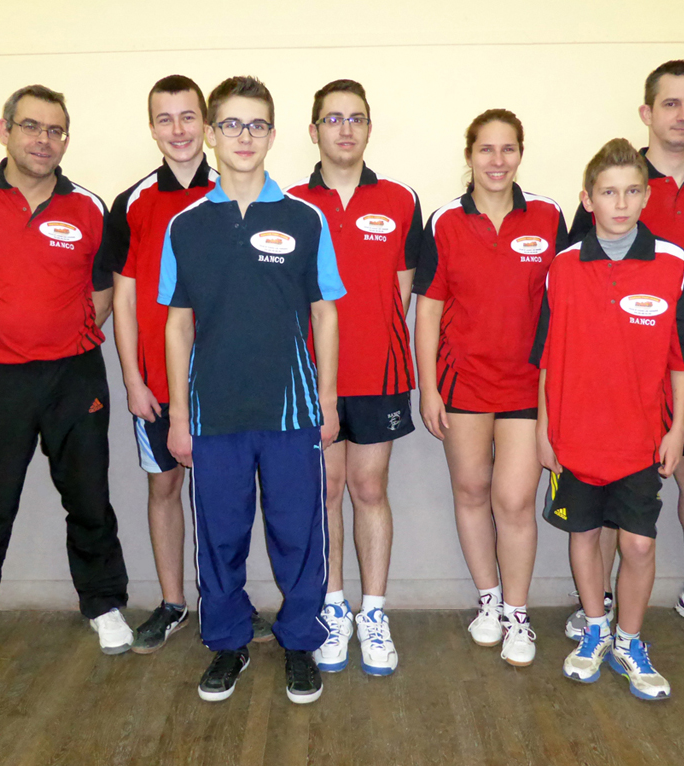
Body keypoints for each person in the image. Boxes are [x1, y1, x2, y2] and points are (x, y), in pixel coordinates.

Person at [0, 85, 131, 683]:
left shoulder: (89, 208)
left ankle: (104, 604)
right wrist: (2, 337)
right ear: (5, 130)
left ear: (66, 140)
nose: (44, 140)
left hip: (74, 377)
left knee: (88, 499)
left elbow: (102, 295)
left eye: (55, 130)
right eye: (32, 126)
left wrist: (58, 336)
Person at [159, 76, 345, 704]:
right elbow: (177, 323)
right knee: (220, 536)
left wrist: (327, 401)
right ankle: (228, 642)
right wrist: (179, 417)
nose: (245, 136)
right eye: (232, 125)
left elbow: (325, 313)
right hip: (214, 415)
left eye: (257, 125)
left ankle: (300, 642)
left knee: (299, 534)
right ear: (212, 134)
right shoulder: (185, 225)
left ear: (272, 134)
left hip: (292, 412)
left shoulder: (304, 217)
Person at [567, 60, 684, 645]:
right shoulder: (617, 181)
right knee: (609, 487)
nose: (683, 114)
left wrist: (680, 333)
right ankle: (598, 604)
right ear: (647, 112)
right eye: (671, 104)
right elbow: (580, 276)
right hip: (620, 377)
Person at [533, 138, 684, 700]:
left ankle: (630, 642)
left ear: (646, 196)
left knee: (637, 546)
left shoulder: (672, 263)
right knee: (584, 535)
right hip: (574, 437)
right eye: (609, 193)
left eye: (632, 191)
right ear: (588, 199)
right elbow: (546, 357)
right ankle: (595, 629)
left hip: (640, 439)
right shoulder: (562, 266)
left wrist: (677, 429)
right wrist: (543, 430)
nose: (621, 203)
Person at [106, 75, 272, 653]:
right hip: (157, 382)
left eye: (187, 117)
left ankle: (228, 602)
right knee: (166, 487)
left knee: (228, 499)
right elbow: (124, 297)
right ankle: (174, 602)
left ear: (206, 125)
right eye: (164, 118)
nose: (177, 130)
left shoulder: (237, 191)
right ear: (152, 129)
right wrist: (132, 379)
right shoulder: (132, 203)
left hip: (225, 383)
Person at [413, 109, 567, 666]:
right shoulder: (444, 221)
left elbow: (568, 304)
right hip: (463, 383)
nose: (497, 160)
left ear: (520, 154)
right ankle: (489, 600)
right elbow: (428, 311)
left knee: (515, 500)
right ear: (469, 155)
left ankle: (518, 615)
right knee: (472, 492)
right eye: (486, 149)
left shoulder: (549, 216)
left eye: (508, 149)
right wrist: (429, 389)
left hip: (528, 385)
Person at [285, 80, 422, 677]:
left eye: (356, 118)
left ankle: (374, 613)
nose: (345, 129)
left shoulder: (400, 199)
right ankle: (334, 607)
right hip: (310, 377)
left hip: (379, 374)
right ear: (313, 130)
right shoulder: (288, 203)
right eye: (333, 118)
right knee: (327, 491)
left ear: (369, 127)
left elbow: (402, 290)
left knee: (369, 488)